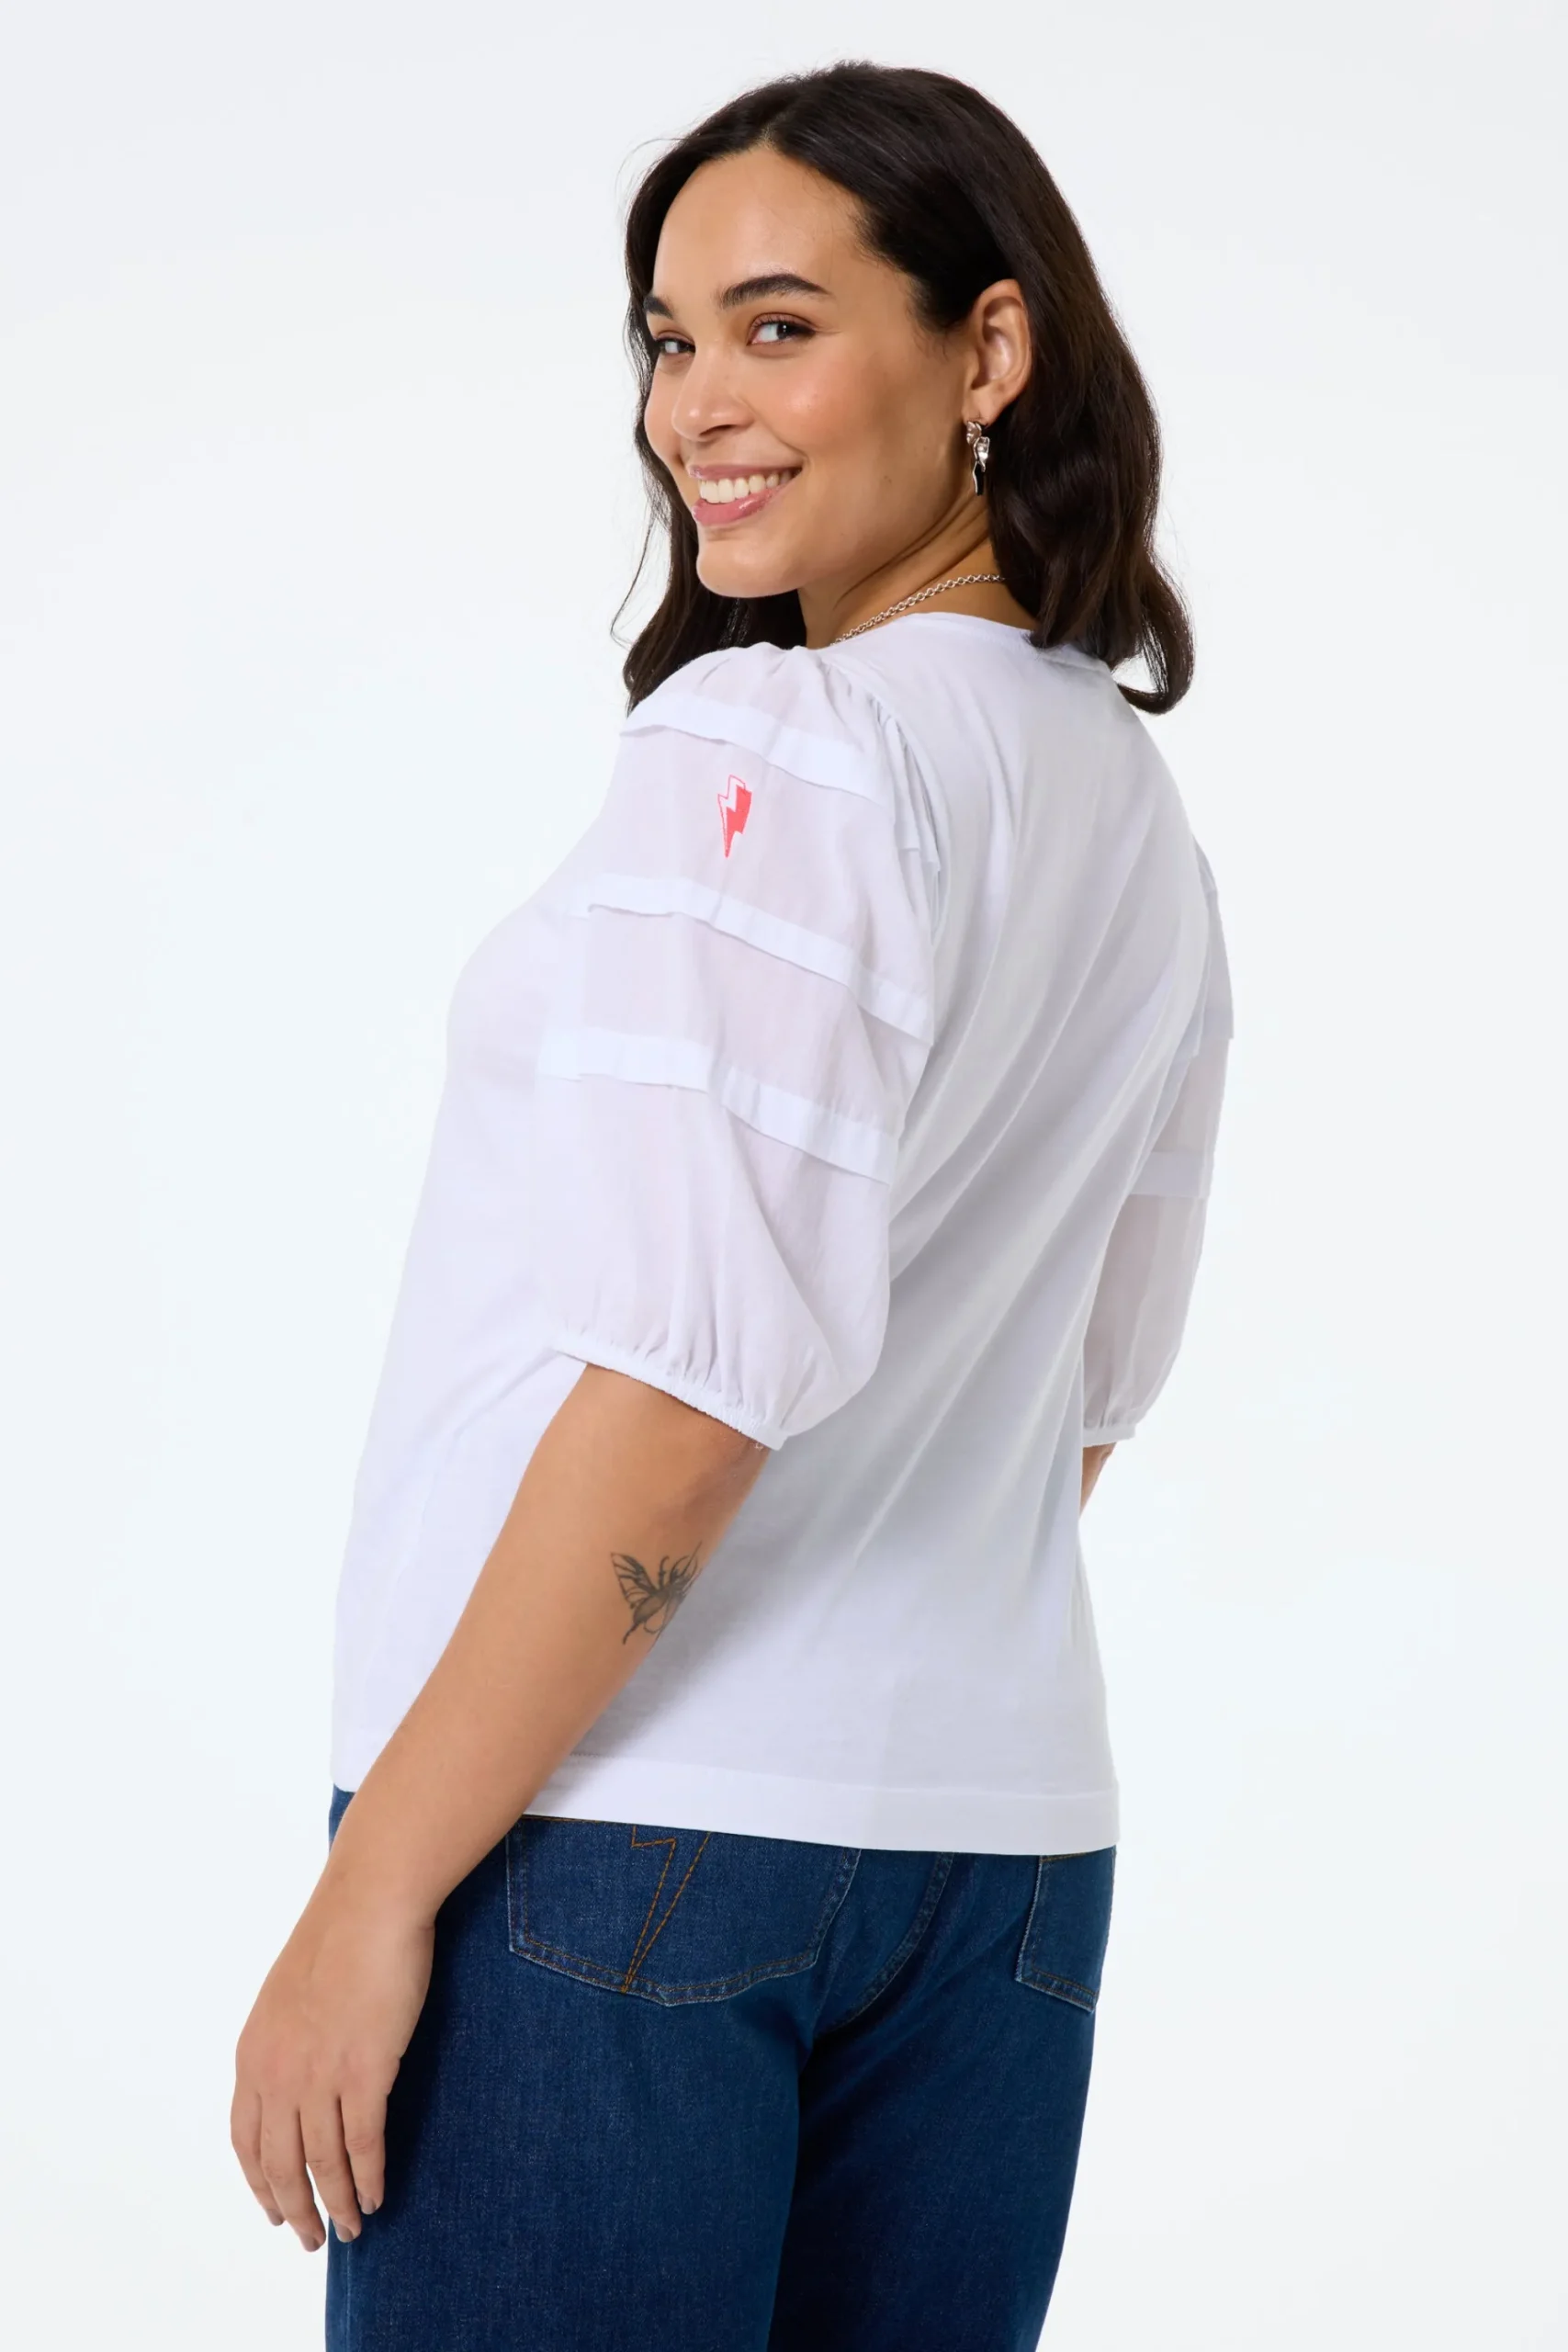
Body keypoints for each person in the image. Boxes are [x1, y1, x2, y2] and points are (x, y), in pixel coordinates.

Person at [231, 60, 1233, 2352]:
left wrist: (377, 1889)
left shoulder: (777, 741)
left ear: (989, 350)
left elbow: (685, 1408)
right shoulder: (1133, 823)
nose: (697, 404)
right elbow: (1081, 1396)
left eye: (779, 326)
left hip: (610, 1842)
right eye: (671, 340)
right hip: (996, 1863)